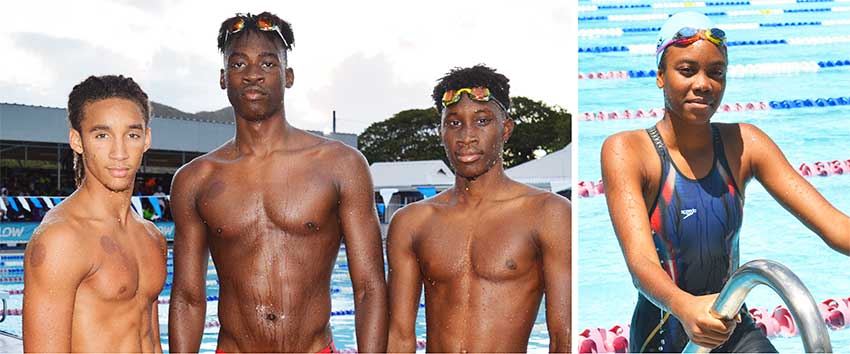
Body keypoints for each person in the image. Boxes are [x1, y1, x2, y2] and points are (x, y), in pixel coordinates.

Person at [600, 11, 850, 353]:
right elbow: (640, 262)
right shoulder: (627, 151)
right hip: (663, 336)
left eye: (716, 73)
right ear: (660, 74)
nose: (703, 84)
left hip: (734, 328)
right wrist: (684, 306)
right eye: (687, 70)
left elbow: (834, 225)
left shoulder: (745, 144)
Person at [168, 12, 387, 353]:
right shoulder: (195, 179)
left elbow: (369, 287)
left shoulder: (340, 165)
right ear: (223, 78)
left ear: (288, 76)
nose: (253, 74)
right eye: (239, 64)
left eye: (268, 64)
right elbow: (187, 296)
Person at [386, 65, 570, 353]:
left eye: (482, 121)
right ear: (441, 132)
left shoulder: (547, 214)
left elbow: (564, 338)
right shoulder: (412, 222)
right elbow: (399, 337)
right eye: (454, 123)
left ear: (505, 129)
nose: (467, 136)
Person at [22, 75, 166, 352]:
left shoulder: (152, 237)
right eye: (102, 135)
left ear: (146, 139)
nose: (119, 152)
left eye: (132, 135)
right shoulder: (61, 240)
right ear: (77, 140)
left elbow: (150, 341)